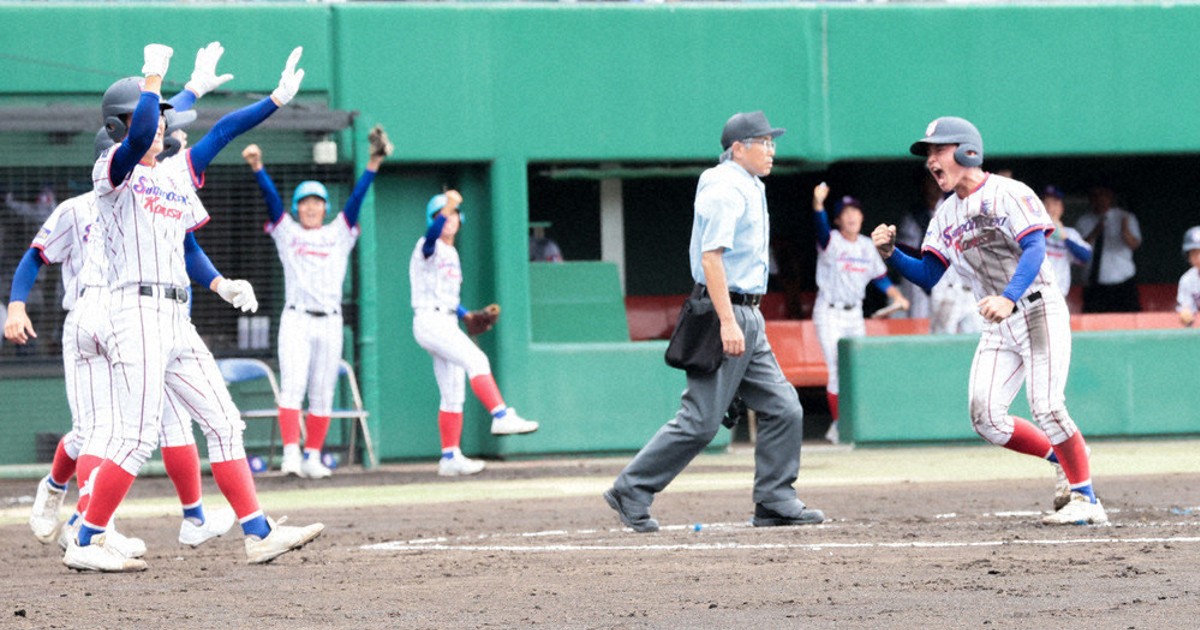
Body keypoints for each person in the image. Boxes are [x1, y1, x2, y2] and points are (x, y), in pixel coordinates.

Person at [63, 43, 323, 572]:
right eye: (151, 116)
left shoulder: (172, 173)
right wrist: (152, 75)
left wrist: (275, 99)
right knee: (137, 438)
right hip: (133, 312)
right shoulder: (111, 170)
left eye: (162, 118)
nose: (161, 124)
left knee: (225, 423)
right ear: (117, 125)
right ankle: (86, 540)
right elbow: (141, 132)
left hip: (176, 316)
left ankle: (258, 533)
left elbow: (220, 131)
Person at [8, 60, 247, 557]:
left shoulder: (154, 189)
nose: (156, 139)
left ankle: (137, 520)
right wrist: (16, 304)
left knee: (143, 427)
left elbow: (164, 127)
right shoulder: (87, 199)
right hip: (96, 315)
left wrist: (194, 88)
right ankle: (73, 509)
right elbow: (34, 256)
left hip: (136, 315)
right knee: (100, 432)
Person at [872, 116, 1107, 526]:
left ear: (968, 151)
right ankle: (1062, 459)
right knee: (985, 417)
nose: (931, 160)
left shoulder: (1009, 192)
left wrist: (1008, 296)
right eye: (928, 153)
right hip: (998, 321)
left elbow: (1035, 247)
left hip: (1036, 305)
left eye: (939, 150)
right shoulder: (944, 214)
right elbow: (928, 274)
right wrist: (892, 253)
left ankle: (1086, 499)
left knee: (1047, 406)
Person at [604, 111, 824, 532]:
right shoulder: (724, 187)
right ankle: (631, 488)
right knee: (701, 421)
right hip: (725, 310)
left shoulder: (749, 183)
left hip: (748, 312)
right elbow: (711, 259)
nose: (772, 150)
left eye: (772, 142)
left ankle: (775, 499)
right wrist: (727, 322)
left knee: (783, 408)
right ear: (738, 148)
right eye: (764, 142)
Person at [240, 123, 391, 480]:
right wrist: (258, 168)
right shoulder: (288, 232)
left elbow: (355, 202)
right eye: (305, 203)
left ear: (325, 208)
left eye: (317, 202)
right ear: (298, 208)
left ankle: (312, 456)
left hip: (330, 320)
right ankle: (291, 455)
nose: (311, 208)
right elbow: (272, 203)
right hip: (297, 319)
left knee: (323, 391)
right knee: (292, 386)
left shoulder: (338, 233)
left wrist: (373, 164)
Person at [410, 190, 540, 477]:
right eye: (442, 214)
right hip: (430, 319)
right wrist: (449, 204)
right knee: (477, 360)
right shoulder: (427, 245)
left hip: (445, 318)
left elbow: (446, 297)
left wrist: (466, 315)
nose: (448, 218)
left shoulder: (452, 253)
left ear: (460, 220)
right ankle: (500, 415)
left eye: (453, 214)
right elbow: (430, 238)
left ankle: (450, 456)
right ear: (433, 219)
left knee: (453, 392)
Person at [810, 184, 908, 444]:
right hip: (830, 312)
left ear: (862, 217)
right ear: (838, 219)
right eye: (846, 213)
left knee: (856, 367)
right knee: (836, 368)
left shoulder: (866, 246)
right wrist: (818, 205)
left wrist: (896, 296)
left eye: (855, 212)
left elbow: (880, 278)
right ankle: (839, 425)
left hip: (854, 314)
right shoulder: (831, 240)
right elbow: (821, 230)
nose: (852, 216)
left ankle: (853, 424)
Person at [1075, 184, 1142, 313]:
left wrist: (1125, 230)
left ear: (1110, 197)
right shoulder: (1084, 221)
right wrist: (1095, 232)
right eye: (1094, 196)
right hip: (1094, 285)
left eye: (1102, 195)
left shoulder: (1125, 217)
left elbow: (1134, 245)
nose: (1098, 199)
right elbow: (1077, 250)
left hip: (1123, 282)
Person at [895, 175, 942, 318]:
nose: (935, 187)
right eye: (930, 182)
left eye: (937, 182)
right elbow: (905, 250)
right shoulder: (914, 215)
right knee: (919, 320)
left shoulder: (953, 208)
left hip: (946, 278)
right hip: (919, 274)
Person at [1041, 185, 1092, 299]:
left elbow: (1085, 257)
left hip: (1058, 295)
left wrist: (1065, 238)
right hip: (1032, 295)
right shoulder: (1031, 230)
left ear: (1061, 208)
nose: (1050, 208)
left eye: (1055, 204)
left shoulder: (1070, 233)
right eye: (1046, 203)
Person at [1176, 226, 1200, 327]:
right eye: (1194, 252)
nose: (1199, 257)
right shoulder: (1187, 280)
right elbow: (1186, 312)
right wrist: (1186, 315)